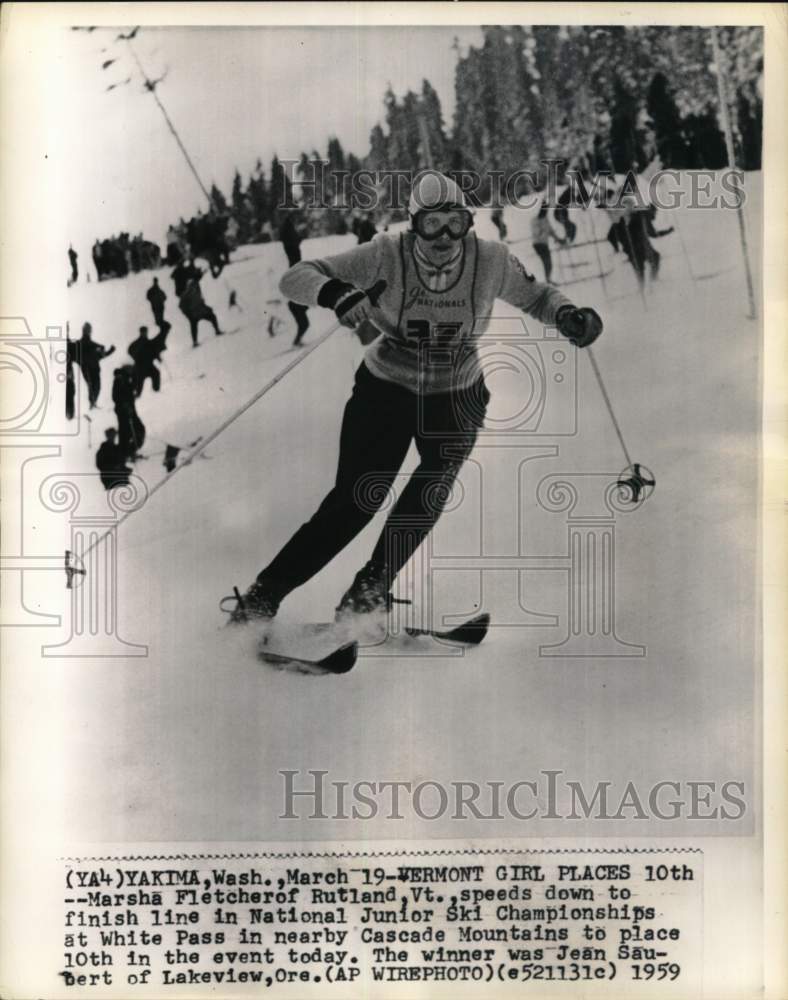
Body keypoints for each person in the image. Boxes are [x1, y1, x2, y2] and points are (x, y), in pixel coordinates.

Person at [227, 171, 602, 625]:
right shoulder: (386, 255)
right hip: (387, 389)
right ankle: (261, 600)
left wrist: (567, 315)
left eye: (456, 223)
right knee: (358, 501)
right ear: (413, 225)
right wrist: (336, 292)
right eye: (432, 225)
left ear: (469, 223)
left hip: (457, 395)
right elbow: (296, 277)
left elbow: (537, 296)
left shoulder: (491, 260)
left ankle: (368, 592)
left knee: (428, 494)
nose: (445, 237)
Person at [171, 258, 223, 347]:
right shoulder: (191, 287)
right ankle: (216, 331)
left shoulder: (192, 284)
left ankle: (196, 341)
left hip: (196, 309)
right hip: (195, 310)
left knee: (198, 322)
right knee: (209, 317)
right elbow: (184, 303)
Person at [279, 212, 310, 346]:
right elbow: (293, 241)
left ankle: (296, 340)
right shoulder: (288, 230)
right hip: (295, 264)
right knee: (304, 323)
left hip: (295, 265)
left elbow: (294, 241)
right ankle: (296, 341)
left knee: (304, 321)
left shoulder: (287, 230)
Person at [74, 322, 115, 409]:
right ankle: (92, 404)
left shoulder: (91, 345)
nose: (88, 331)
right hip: (87, 369)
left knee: (96, 386)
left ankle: (93, 404)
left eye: (88, 330)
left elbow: (101, 355)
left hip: (94, 369)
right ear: (84, 331)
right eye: (86, 330)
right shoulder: (81, 344)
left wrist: (110, 351)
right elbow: (75, 356)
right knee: (93, 386)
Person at [112, 365, 146, 462]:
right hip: (124, 411)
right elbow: (115, 396)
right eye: (131, 370)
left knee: (128, 433)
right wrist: (125, 405)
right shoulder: (120, 379)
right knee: (133, 431)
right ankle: (126, 454)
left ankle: (128, 453)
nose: (132, 372)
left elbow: (130, 390)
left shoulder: (126, 379)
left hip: (128, 410)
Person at [530, 200, 565, 283]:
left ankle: (548, 279)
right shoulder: (535, 220)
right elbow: (536, 232)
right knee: (547, 261)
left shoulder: (545, 220)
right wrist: (542, 230)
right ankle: (548, 279)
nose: (545, 212)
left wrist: (558, 239)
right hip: (538, 244)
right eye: (544, 210)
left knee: (548, 262)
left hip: (544, 244)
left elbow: (551, 231)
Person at [128, 325, 167, 397]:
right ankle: (138, 394)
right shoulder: (136, 343)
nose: (145, 333)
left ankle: (156, 390)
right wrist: (135, 357)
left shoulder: (149, 342)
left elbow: (154, 351)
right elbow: (130, 350)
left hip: (149, 365)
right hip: (140, 365)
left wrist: (158, 358)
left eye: (145, 332)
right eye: (143, 332)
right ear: (140, 333)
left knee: (156, 373)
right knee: (139, 380)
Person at [95, 427, 131, 492]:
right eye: (111, 435)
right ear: (107, 436)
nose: (113, 437)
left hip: (121, 480)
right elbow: (99, 465)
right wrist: (114, 467)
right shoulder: (102, 450)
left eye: (114, 435)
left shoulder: (117, 449)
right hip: (110, 480)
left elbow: (122, 461)